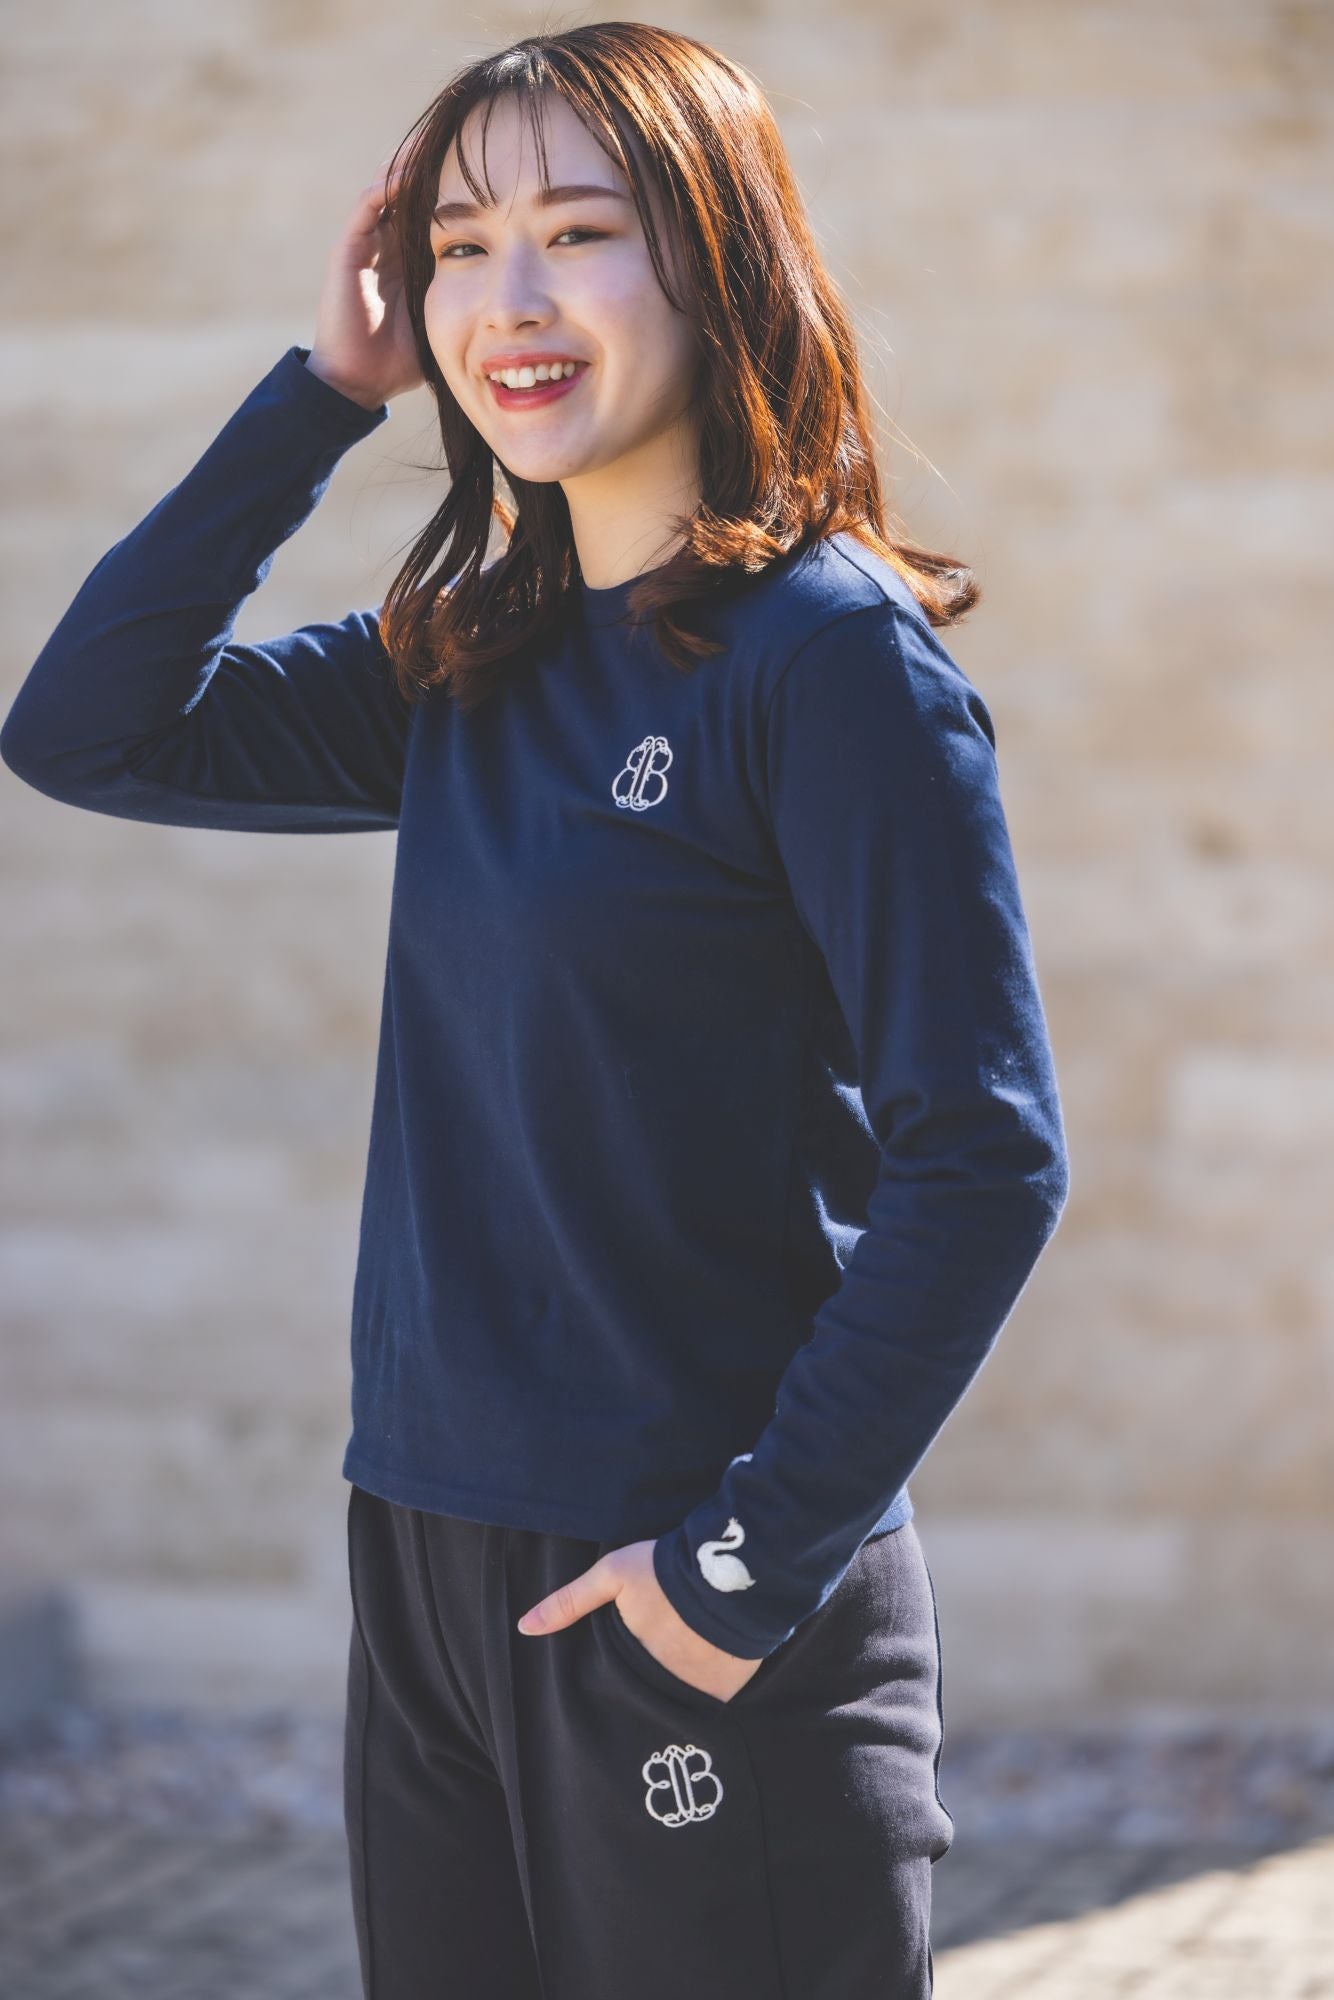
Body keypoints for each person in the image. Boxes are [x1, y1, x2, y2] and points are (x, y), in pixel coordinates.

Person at [1, 22, 1070, 1998]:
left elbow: (986, 1156)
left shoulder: (829, 662)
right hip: (425, 1553)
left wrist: (739, 1569)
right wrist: (325, 392)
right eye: (459, 245)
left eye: (577, 232)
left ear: (717, 261)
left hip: (684, 1587)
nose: (507, 299)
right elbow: (83, 728)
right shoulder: (462, 660)